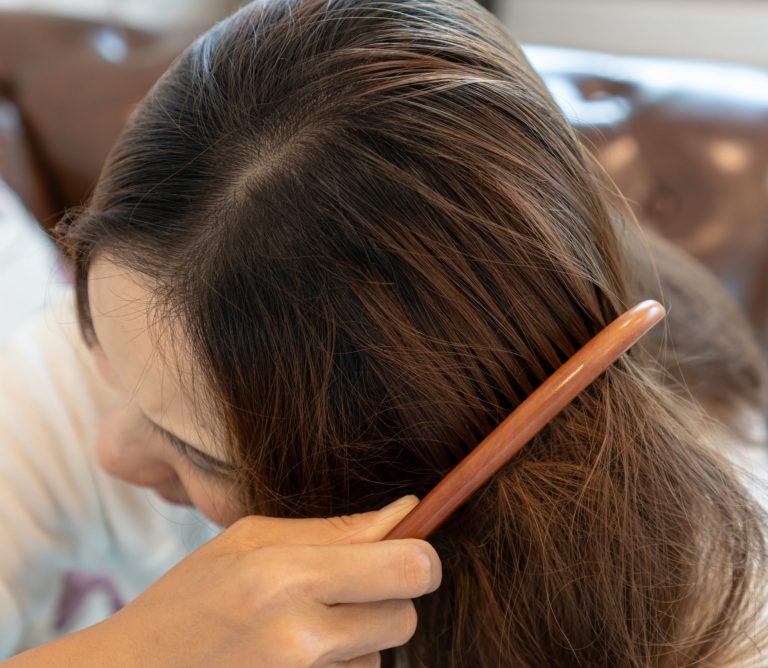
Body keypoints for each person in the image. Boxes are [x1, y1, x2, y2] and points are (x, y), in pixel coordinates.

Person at [2, 0, 768, 665]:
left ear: (427, 486)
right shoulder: (115, 360)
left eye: (203, 454)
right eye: (99, 339)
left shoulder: (705, 604)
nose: (113, 450)